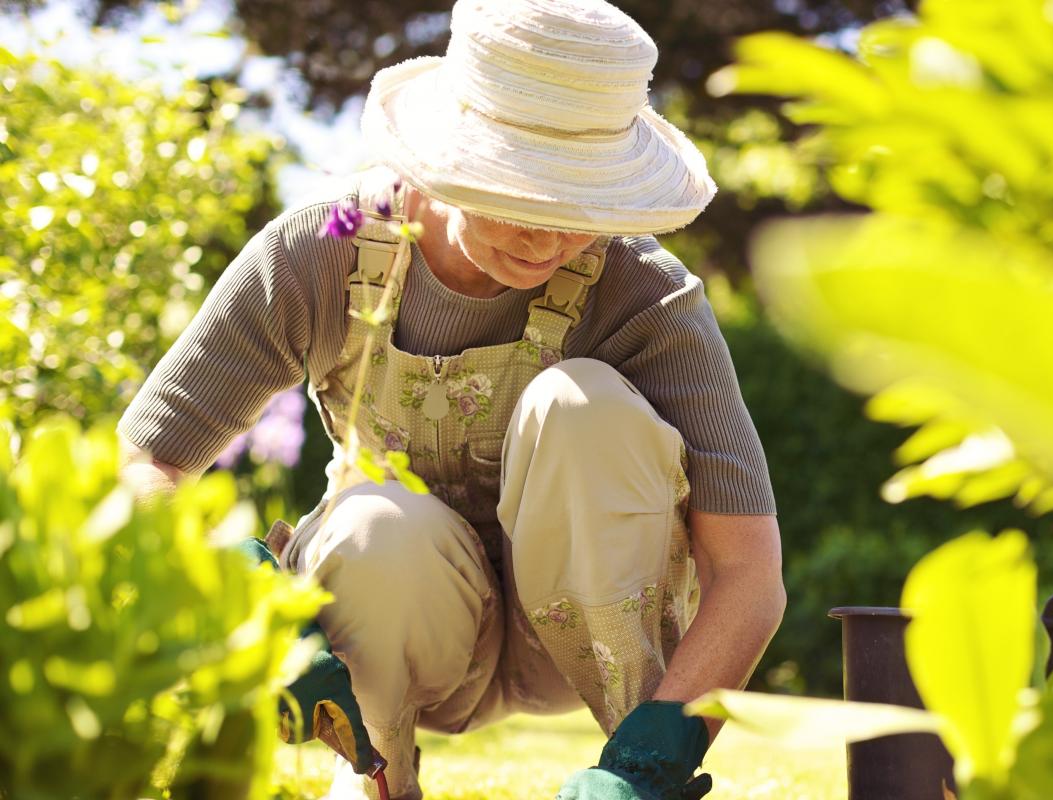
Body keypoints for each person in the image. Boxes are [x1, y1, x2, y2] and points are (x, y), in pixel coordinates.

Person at [116, 1, 786, 798]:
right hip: (394, 624)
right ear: (444, 158)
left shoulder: (643, 294)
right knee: (373, 524)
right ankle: (375, 777)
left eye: (580, 207)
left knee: (584, 408)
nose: (549, 240)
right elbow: (146, 461)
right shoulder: (321, 251)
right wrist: (231, 586)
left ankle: (627, 776)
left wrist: (666, 745)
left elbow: (748, 569)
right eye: (521, 196)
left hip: (584, 634)